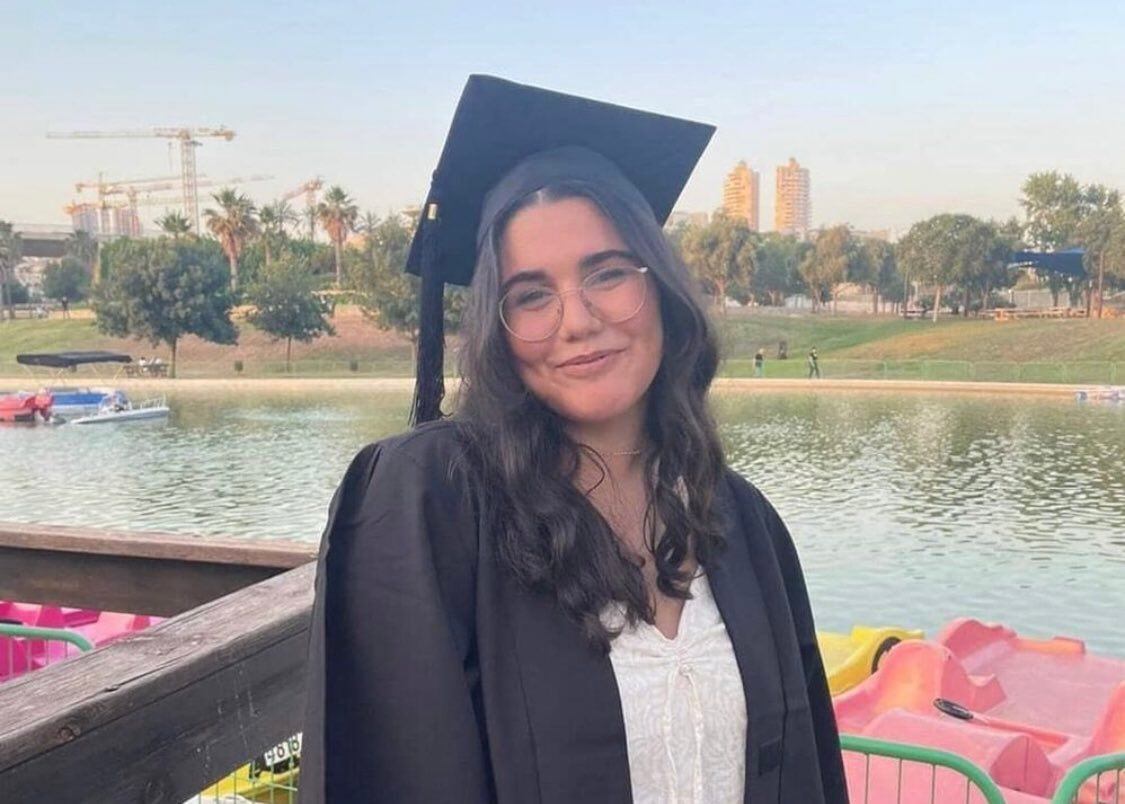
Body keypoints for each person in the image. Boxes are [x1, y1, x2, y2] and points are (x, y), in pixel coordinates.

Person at [301, 75, 846, 804]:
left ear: (661, 289)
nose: (578, 321)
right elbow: (393, 774)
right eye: (531, 295)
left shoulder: (741, 524)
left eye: (607, 275)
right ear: (496, 327)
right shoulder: (432, 502)